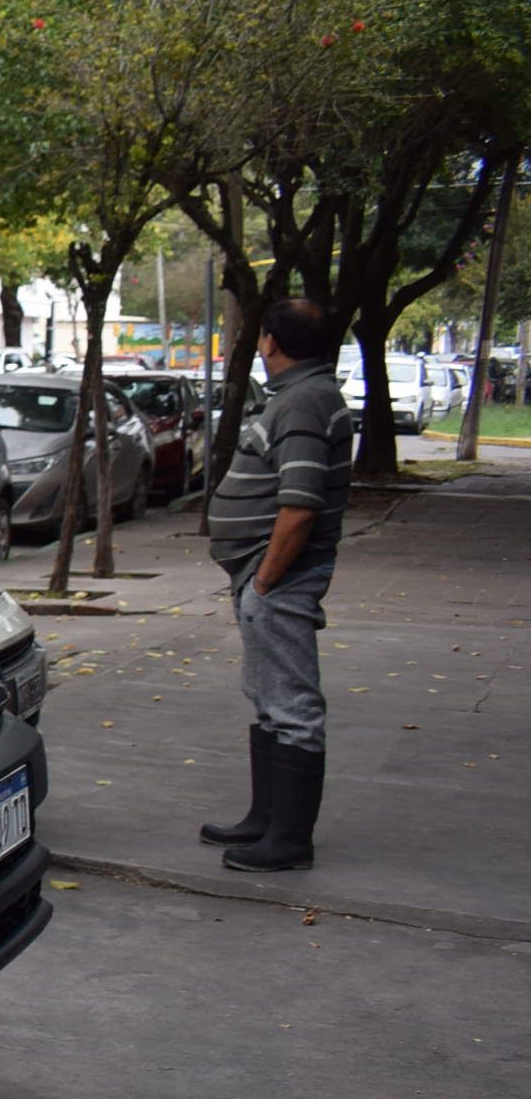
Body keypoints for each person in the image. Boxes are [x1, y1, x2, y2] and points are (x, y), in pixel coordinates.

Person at [198, 298, 354, 871]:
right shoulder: (302, 397)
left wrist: (264, 583)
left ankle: (289, 842)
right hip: (265, 576)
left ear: (268, 342)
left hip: (278, 577)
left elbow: (300, 504)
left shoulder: (306, 401)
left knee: (290, 704)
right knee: (268, 700)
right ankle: (265, 821)